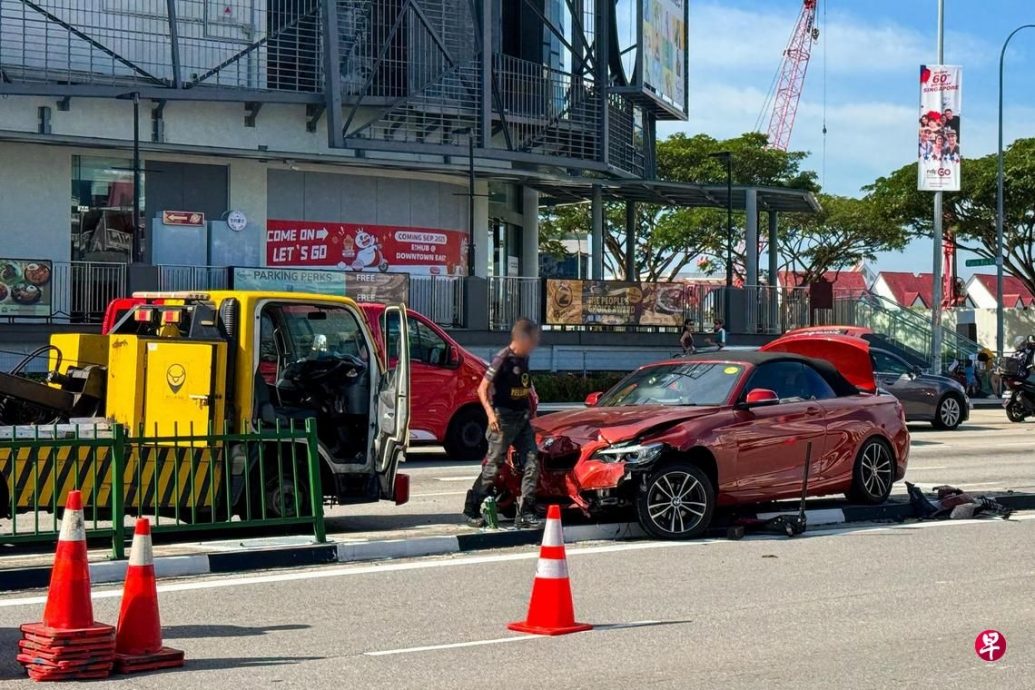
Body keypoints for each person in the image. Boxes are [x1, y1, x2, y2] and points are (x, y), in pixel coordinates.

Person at [462, 318, 542, 529]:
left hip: (522, 419)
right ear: (522, 338)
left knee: (532, 462)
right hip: (503, 420)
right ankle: (472, 506)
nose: (535, 345)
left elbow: (524, 389)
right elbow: (482, 389)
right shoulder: (503, 358)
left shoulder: (524, 359)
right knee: (493, 466)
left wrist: (531, 411)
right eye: (533, 340)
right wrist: (490, 415)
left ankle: (526, 510)